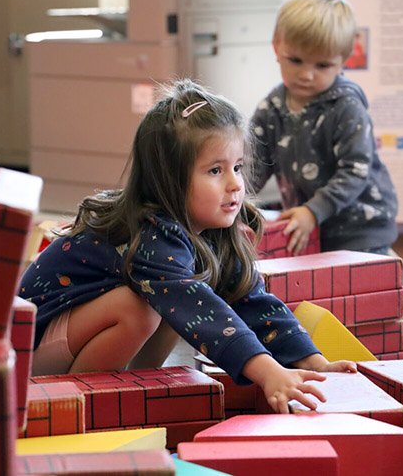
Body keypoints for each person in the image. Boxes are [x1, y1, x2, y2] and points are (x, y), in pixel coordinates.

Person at [19, 79, 356, 414]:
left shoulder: (213, 230)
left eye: (237, 167)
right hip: (28, 355)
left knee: (173, 298)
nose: (235, 184)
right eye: (215, 170)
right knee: (144, 306)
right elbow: (202, 312)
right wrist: (268, 372)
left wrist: (314, 362)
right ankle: (80, 407)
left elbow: (252, 300)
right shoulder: (152, 234)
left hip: (69, 341)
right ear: (169, 180)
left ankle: (132, 392)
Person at [250, 0, 403, 311]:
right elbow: (255, 162)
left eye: (322, 65)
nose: (306, 74)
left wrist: (313, 211)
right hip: (313, 223)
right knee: (327, 291)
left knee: (368, 292)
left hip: (359, 222)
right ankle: (391, 271)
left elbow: (355, 171)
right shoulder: (271, 107)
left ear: (343, 60)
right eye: (296, 60)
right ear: (277, 47)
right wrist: (234, 197)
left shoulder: (346, 104)